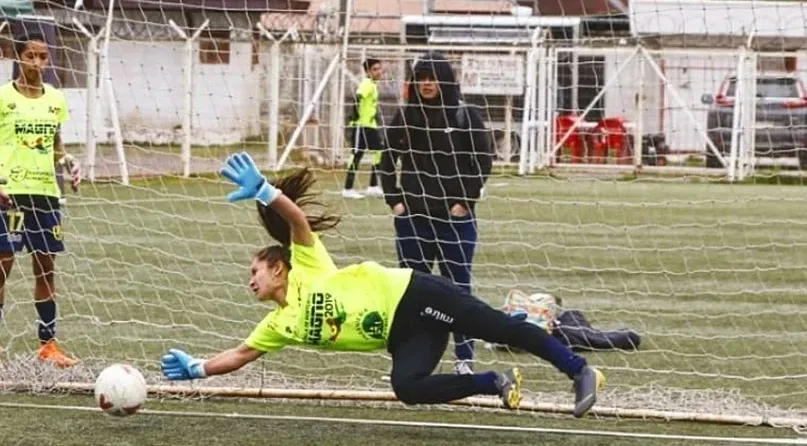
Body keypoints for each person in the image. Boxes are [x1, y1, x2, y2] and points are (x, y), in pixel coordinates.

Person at [160, 152, 605, 417]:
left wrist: (264, 191)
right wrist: (197, 369)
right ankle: (493, 382)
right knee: (406, 387)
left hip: (413, 295)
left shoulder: (308, 265)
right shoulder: (278, 325)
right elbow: (238, 355)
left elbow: (295, 218)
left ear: (278, 268)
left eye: (253, 271)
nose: (249, 281)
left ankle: (579, 370)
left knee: (499, 328)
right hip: (404, 334)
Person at [379, 52, 493, 374]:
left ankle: (465, 360)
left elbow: (483, 161)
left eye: (433, 77)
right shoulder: (406, 116)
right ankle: (409, 361)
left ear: (445, 81)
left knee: (459, 289)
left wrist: (463, 203)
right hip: (413, 221)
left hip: (455, 222)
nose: (427, 84)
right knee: (411, 293)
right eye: (421, 78)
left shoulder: (465, 115)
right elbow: (387, 161)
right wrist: (396, 202)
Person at [0, 31, 82, 367]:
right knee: (1, 271)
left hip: (46, 195)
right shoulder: (3, 98)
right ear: (18, 58)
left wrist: (69, 163)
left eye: (43, 57)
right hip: (9, 195)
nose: (38, 63)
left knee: (46, 271)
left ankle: (48, 345)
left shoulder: (55, 100)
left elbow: (56, 148)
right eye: (31, 56)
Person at [342, 58, 384, 200]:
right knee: (356, 155)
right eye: (375, 69)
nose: (379, 72)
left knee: (379, 152)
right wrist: (355, 115)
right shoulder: (366, 83)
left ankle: (373, 186)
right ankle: (347, 189)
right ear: (368, 71)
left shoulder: (373, 85)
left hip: (370, 126)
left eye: (379, 68)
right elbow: (358, 97)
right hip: (362, 126)